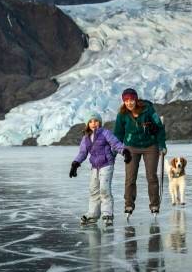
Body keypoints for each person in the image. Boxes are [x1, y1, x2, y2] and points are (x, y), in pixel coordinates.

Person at [113, 88, 166, 217]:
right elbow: (118, 134)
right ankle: (129, 205)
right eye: (126, 100)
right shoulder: (122, 115)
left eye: (131, 100)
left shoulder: (148, 110)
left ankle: (154, 204)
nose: (129, 103)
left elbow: (159, 128)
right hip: (131, 147)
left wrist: (162, 145)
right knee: (130, 178)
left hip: (150, 146)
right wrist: (114, 149)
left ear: (136, 100)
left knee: (151, 176)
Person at [70, 113, 124, 227]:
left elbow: (116, 144)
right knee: (93, 190)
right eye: (91, 121)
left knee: (104, 190)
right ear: (87, 124)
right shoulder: (86, 138)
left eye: (96, 121)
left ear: (100, 122)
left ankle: (107, 214)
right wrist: (75, 163)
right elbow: (82, 153)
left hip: (106, 164)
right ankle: (92, 215)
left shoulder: (105, 133)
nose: (93, 123)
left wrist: (124, 152)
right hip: (95, 167)